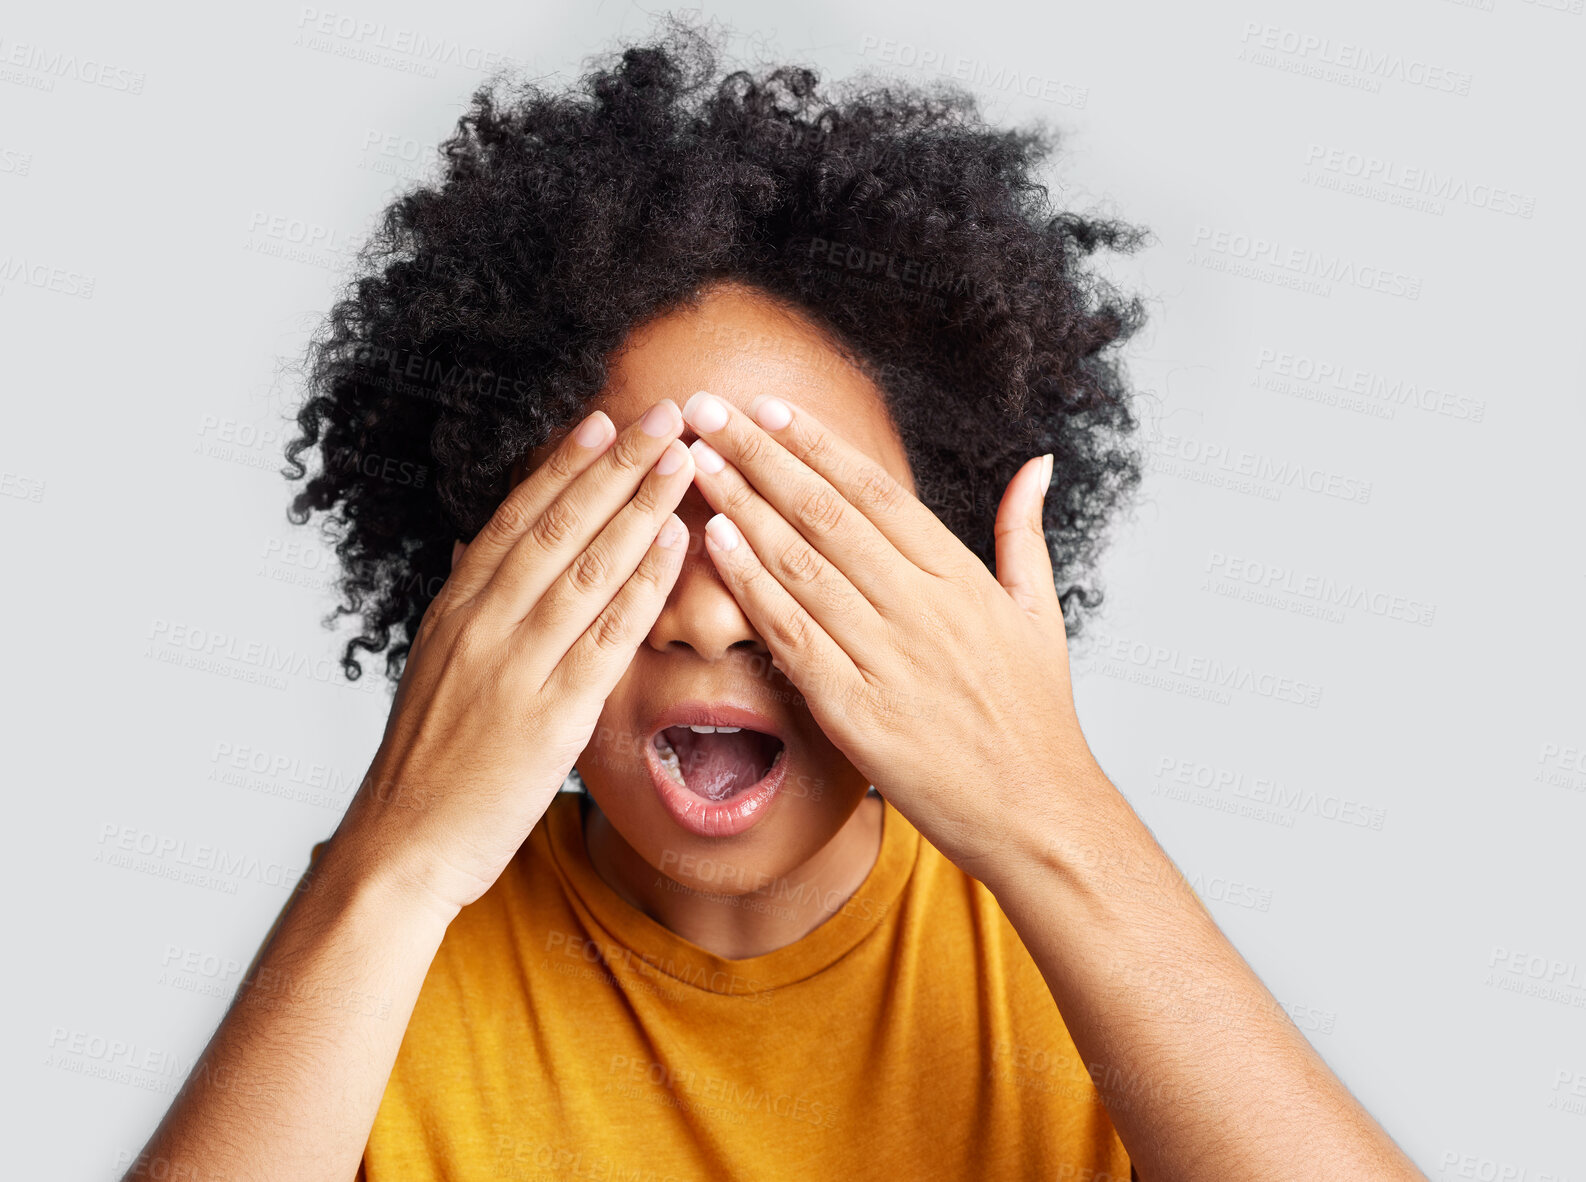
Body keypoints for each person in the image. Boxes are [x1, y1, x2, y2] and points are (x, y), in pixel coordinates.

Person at [128, 22, 1425, 1181]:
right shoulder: (382, 941)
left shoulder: (1078, 942)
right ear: (490, 581)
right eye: (630, 525)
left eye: (804, 525)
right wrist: (390, 866)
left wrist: (1052, 817)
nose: (712, 615)